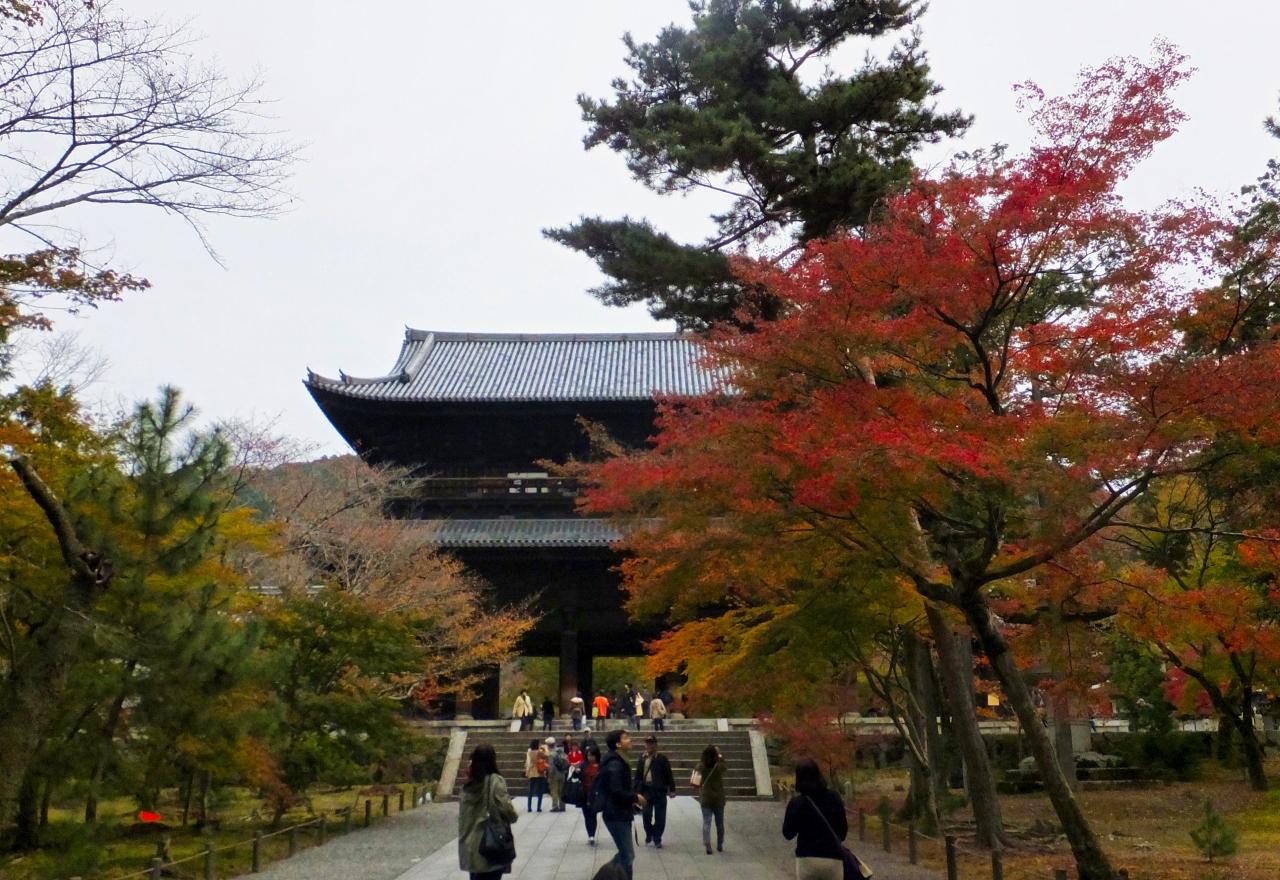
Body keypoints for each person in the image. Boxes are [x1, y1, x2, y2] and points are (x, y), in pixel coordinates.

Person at [782, 758, 851, 880]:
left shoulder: (797, 803)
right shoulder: (834, 798)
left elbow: (788, 834)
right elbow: (842, 833)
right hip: (832, 858)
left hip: (807, 859)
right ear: (818, 775)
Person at [457, 743, 518, 880]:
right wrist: (512, 816)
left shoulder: (468, 785)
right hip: (489, 846)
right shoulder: (495, 781)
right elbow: (507, 810)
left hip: (470, 845)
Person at [596, 729, 644, 879]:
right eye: (625, 738)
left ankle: (610, 875)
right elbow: (616, 791)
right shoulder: (616, 764)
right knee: (627, 855)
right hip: (616, 815)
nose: (630, 740)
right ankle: (605, 876)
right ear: (618, 744)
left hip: (619, 813)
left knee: (626, 854)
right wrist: (635, 797)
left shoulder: (620, 760)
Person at [636, 735, 675, 848]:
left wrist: (672, 789)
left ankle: (657, 838)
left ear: (655, 745)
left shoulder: (662, 759)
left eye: (652, 743)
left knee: (660, 817)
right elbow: (638, 776)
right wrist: (636, 791)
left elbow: (669, 774)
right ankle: (649, 834)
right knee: (646, 815)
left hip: (659, 791)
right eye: (648, 743)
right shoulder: (642, 759)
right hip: (646, 791)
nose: (650, 745)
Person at [692, 743, 727, 855]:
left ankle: (707, 844)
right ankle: (720, 844)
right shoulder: (718, 766)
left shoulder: (701, 765)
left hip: (706, 797)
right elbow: (725, 768)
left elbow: (695, 776)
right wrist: (720, 756)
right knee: (719, 823)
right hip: (718, 798)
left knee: (707, 822)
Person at [580, 744, 602, 845]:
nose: (590, 757)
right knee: (587, 815)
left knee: (593, 814)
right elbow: (580, 777)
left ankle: (592, 834)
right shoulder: (583, 765)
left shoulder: (601, 765)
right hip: (585, 793)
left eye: (592, 755)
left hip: (595, 794)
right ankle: (590, 834)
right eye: (588, 755)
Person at [523, 738, 548, 812]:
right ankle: (538, 807)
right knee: (540, 791)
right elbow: (547, 755)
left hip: (532, 772)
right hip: (539, 771)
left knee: (531, 790)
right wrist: (545, 748)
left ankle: (529, 807)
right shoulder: (539, 752)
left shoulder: (530, 752)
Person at [547, 736, 569, 812]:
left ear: (549, 745)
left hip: (554, 775)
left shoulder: (551, 754)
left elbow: (551, 767)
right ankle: (562, 806)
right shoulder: (561, 752)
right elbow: (567, 761)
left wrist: (549, 776)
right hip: (562, 773)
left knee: (554, 791)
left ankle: (555, 806)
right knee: (561, 790)